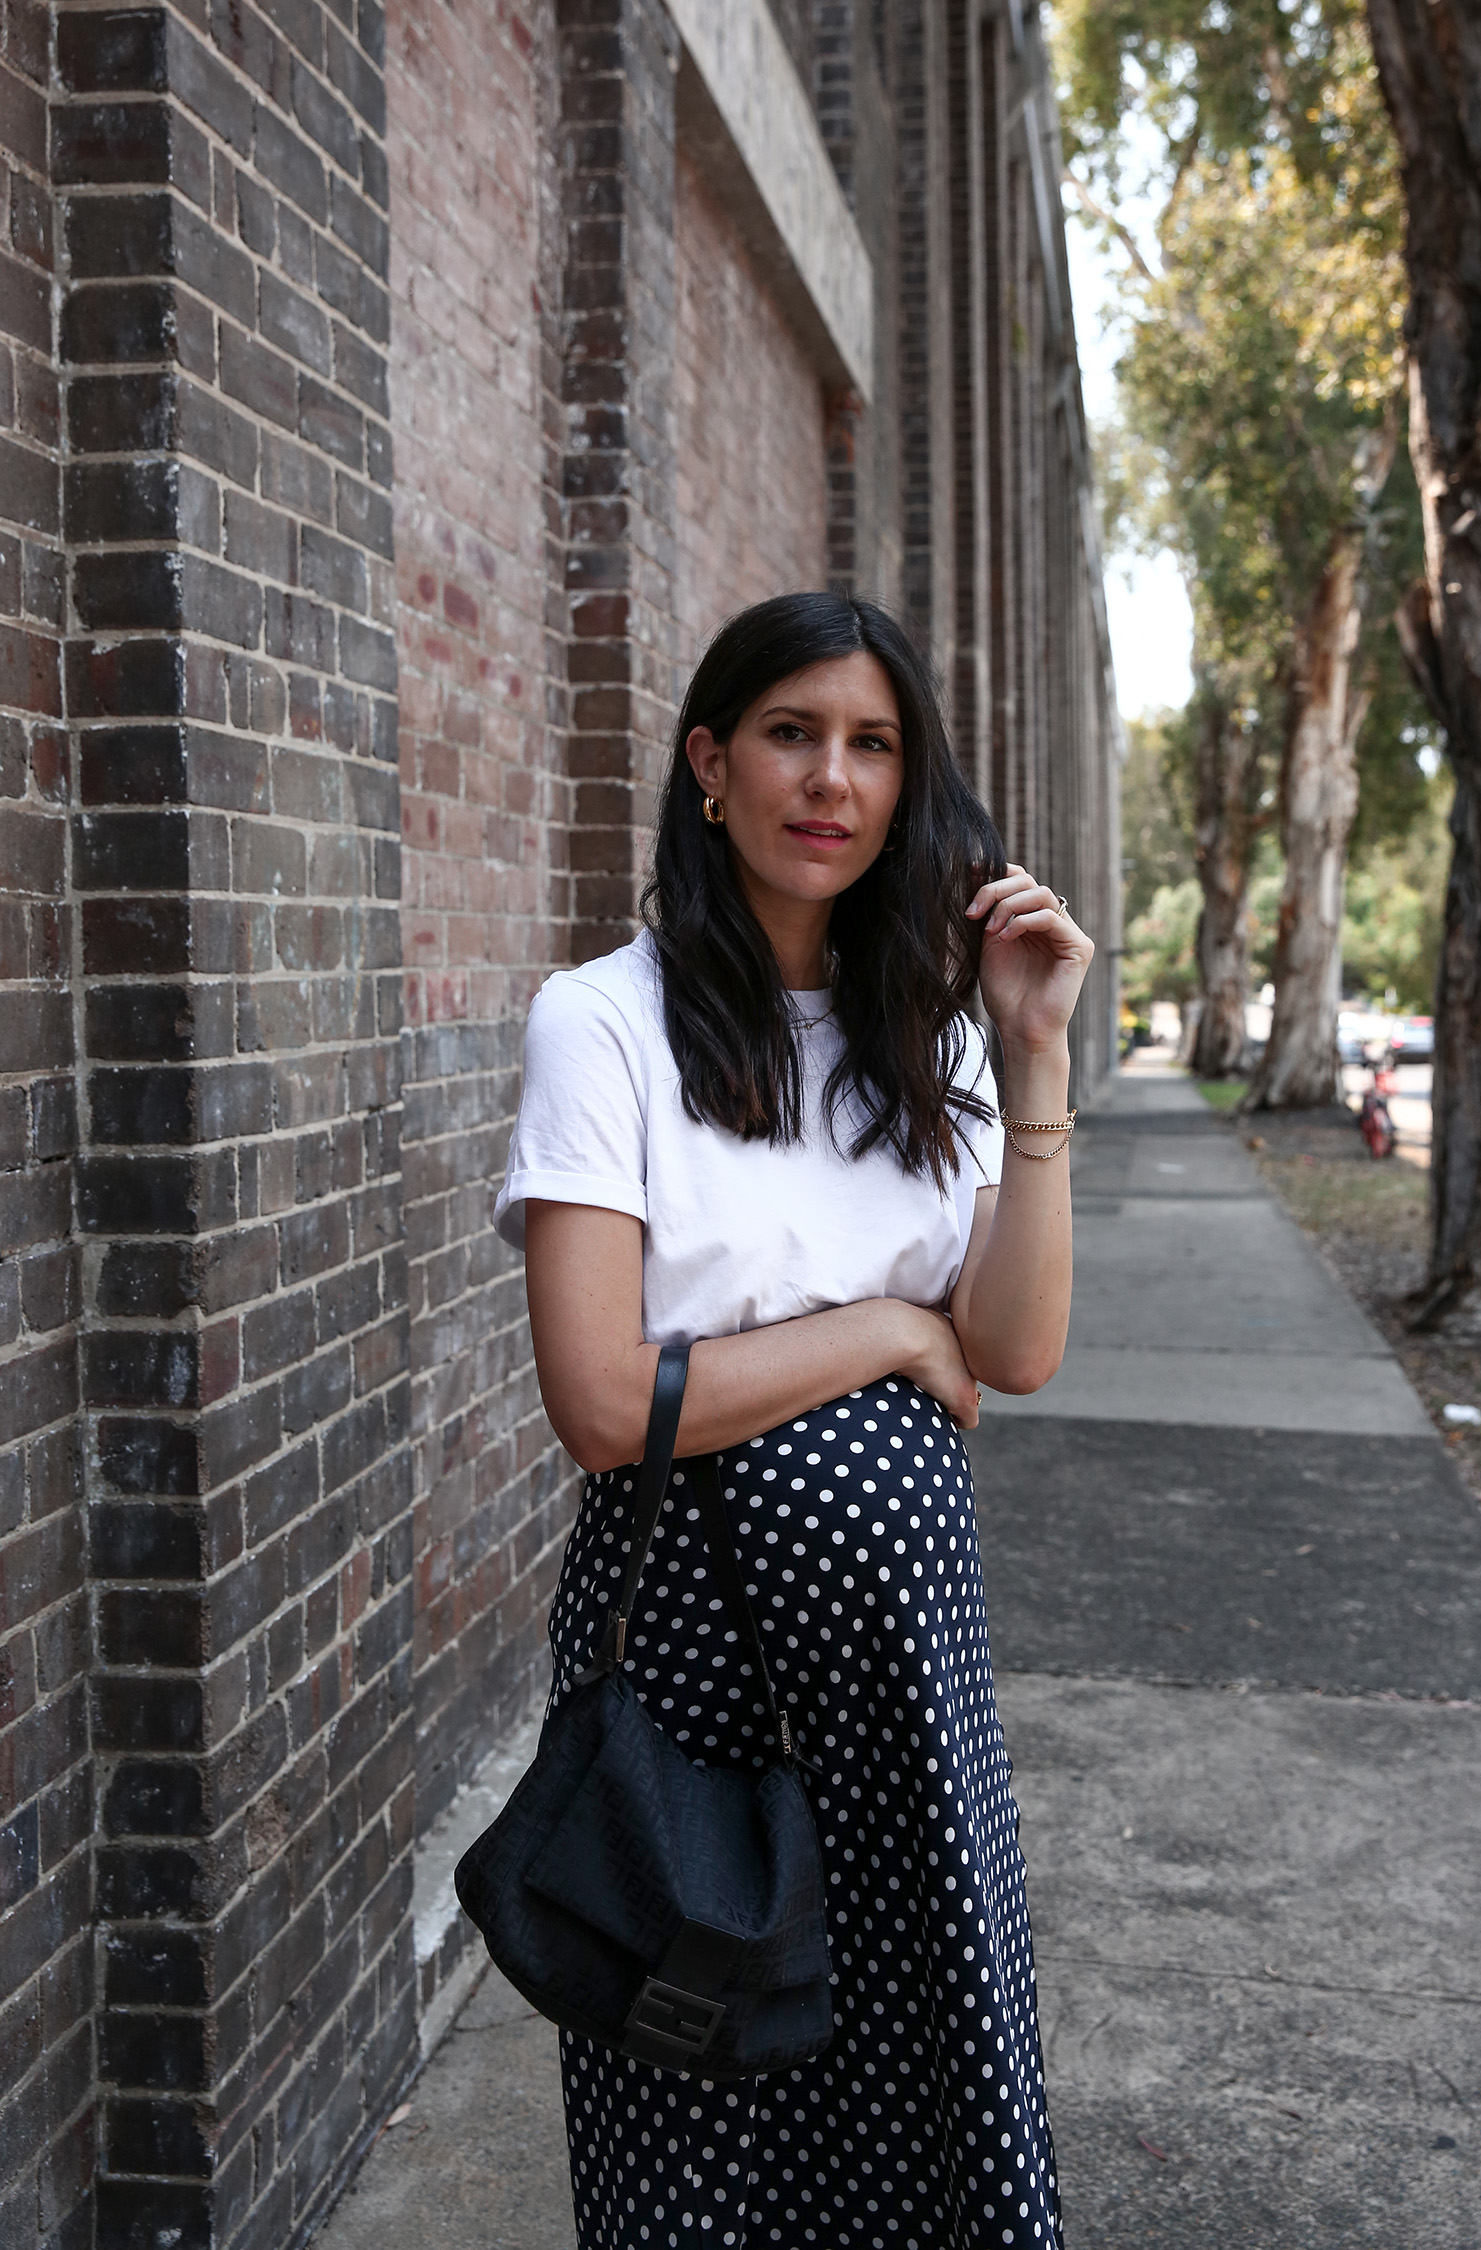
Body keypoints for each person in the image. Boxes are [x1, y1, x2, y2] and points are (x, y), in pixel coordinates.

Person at [494, 590, 1093, 2250]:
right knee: (704, 2128)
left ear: (907, 782)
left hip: (912, 1681)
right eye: (790, 733)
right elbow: (606, 1402)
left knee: (935, 2126)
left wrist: (1033, 1055)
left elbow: (1021, 1348)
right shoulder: (601, 1024)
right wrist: (891, 1324)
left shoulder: (938, 1028)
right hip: (692, 1673)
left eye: (873, 743)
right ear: (708, 763)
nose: (831, 778)